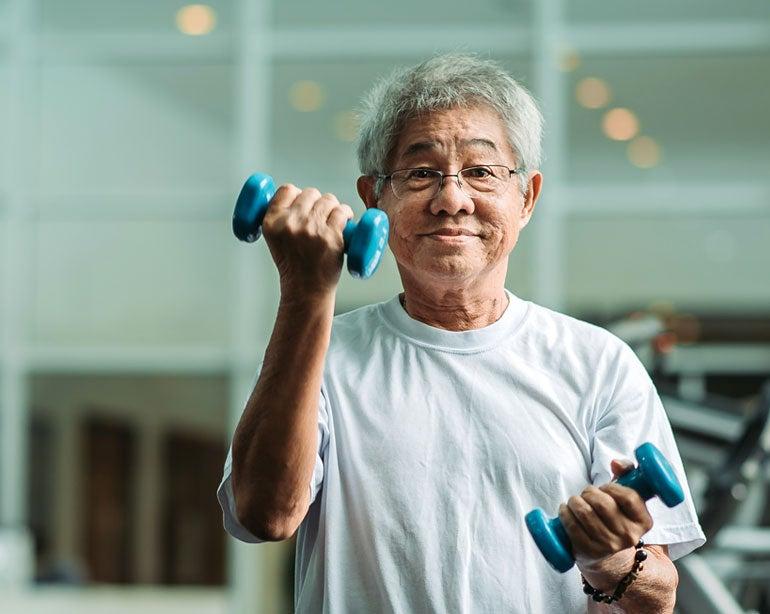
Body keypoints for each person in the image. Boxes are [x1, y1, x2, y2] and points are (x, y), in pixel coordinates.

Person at [217, 53, 705, 613]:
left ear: (526, 198)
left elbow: (658, 597)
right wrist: (306, 294)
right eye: (421, 173)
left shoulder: (598, 363)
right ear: (374, 198)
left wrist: (608, 560)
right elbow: (265, 516)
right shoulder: (319, 356)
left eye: (481, 172)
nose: (452, 199)